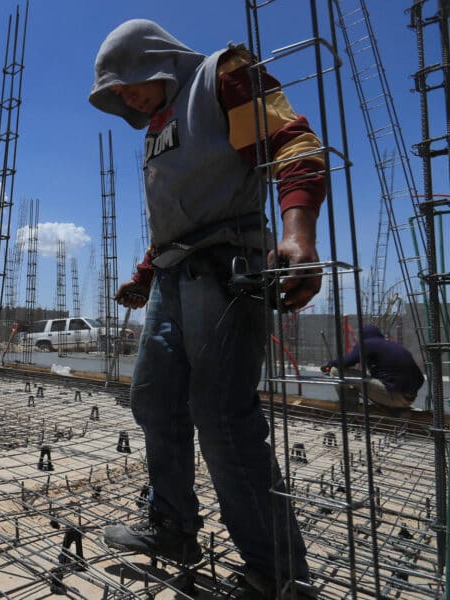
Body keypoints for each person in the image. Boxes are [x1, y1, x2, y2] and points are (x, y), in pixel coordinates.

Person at [89, 20, 325, 598]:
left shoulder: (224, 75)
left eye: (126, 86)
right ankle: (172, 526)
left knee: (220, 416)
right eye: (116, 95)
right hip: (174, 276)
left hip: (225, 271)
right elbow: (178, 218)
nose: (125, 99)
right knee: (154, 398)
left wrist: (299, 234)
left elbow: (293, 144)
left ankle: (278, 574)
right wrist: (144, 277)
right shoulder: (160, 126)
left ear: (152, 61)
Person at [321, 325, 424, 414]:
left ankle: (350, 411)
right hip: (409, 399)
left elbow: (348, 361)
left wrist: (330, 364)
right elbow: (420, 379)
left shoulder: (367, 343)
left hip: (393, 396)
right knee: (369, 374)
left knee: (336, 371)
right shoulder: (395, 346)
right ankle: (393, 406)